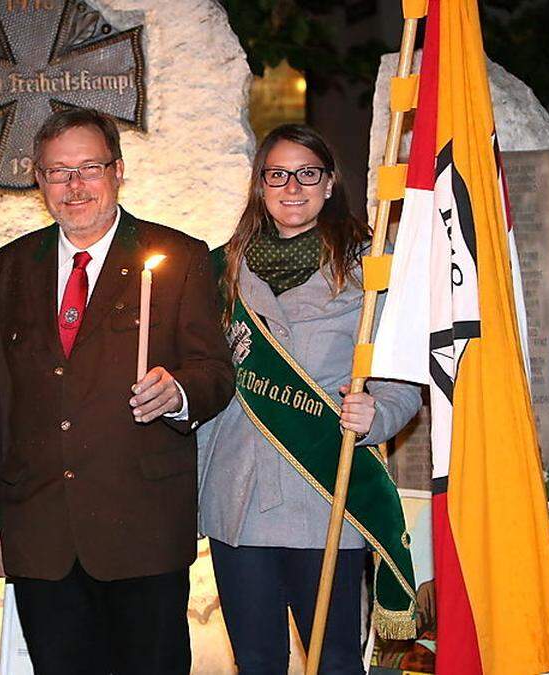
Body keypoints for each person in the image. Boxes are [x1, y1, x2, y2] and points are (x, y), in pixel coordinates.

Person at [0, 107, 234, 675]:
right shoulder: (3, 271)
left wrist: (178, 392)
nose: (74, 186)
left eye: (89, 168)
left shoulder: (181, 260)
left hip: (141, 528)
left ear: (118, 171)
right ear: (38, 179)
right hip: (41, 532)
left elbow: (214, 372)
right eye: (57, 171)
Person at [197, 123, 421, 673]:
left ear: (329, 183)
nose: (292, 186)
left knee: (336, 658)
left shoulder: (371, 267)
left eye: (307, 173)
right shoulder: (220, 267)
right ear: (260, 184)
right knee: (256, 659)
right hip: (239, 492)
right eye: (277, 174)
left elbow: (401, 377)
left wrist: (378, 414)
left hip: (325, 487)